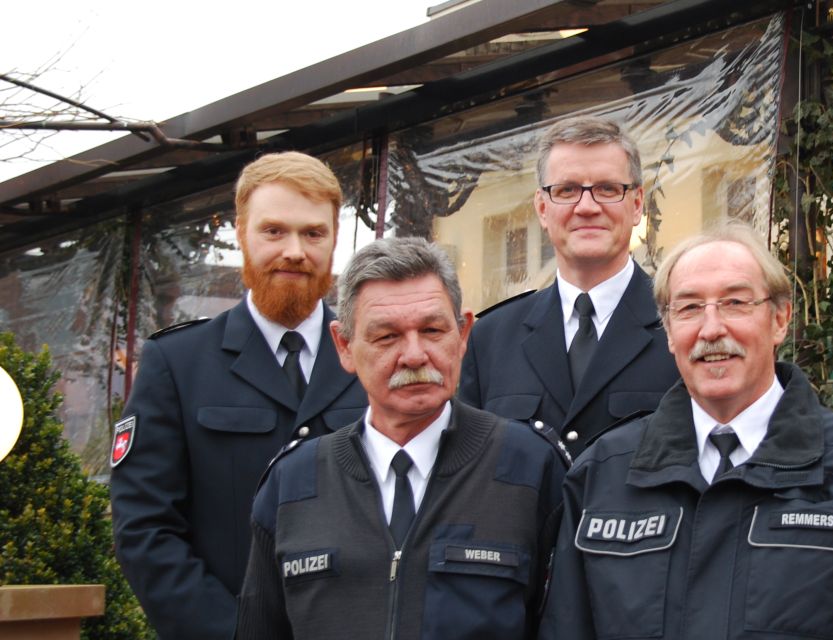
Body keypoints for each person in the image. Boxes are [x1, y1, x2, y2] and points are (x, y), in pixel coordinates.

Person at [539, 221, 833, 639]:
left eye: (735, 303)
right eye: (688, 308)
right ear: (668, 333)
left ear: (779, 320)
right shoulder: (602, 477)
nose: (712, 328)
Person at [237, 236, 567, 640]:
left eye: (432, 330)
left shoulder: (529, 467)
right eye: (387, 336)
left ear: (463, 334)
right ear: (344, 345)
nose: (414, 355)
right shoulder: (293, 483)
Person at [110, 151, 367, 640]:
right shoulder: (178, 364)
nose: (295, 250)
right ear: (241, 233)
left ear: (335, 241)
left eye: (314, 233)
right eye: (274, 231)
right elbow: (146, 531)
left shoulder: (372, 355)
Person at [459, 115, 678, 458]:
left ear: (637, 204)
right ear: (543, 208)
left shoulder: (681, 324)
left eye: (607, 189)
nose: (587, 207)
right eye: (567, 190)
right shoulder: (489, 340)